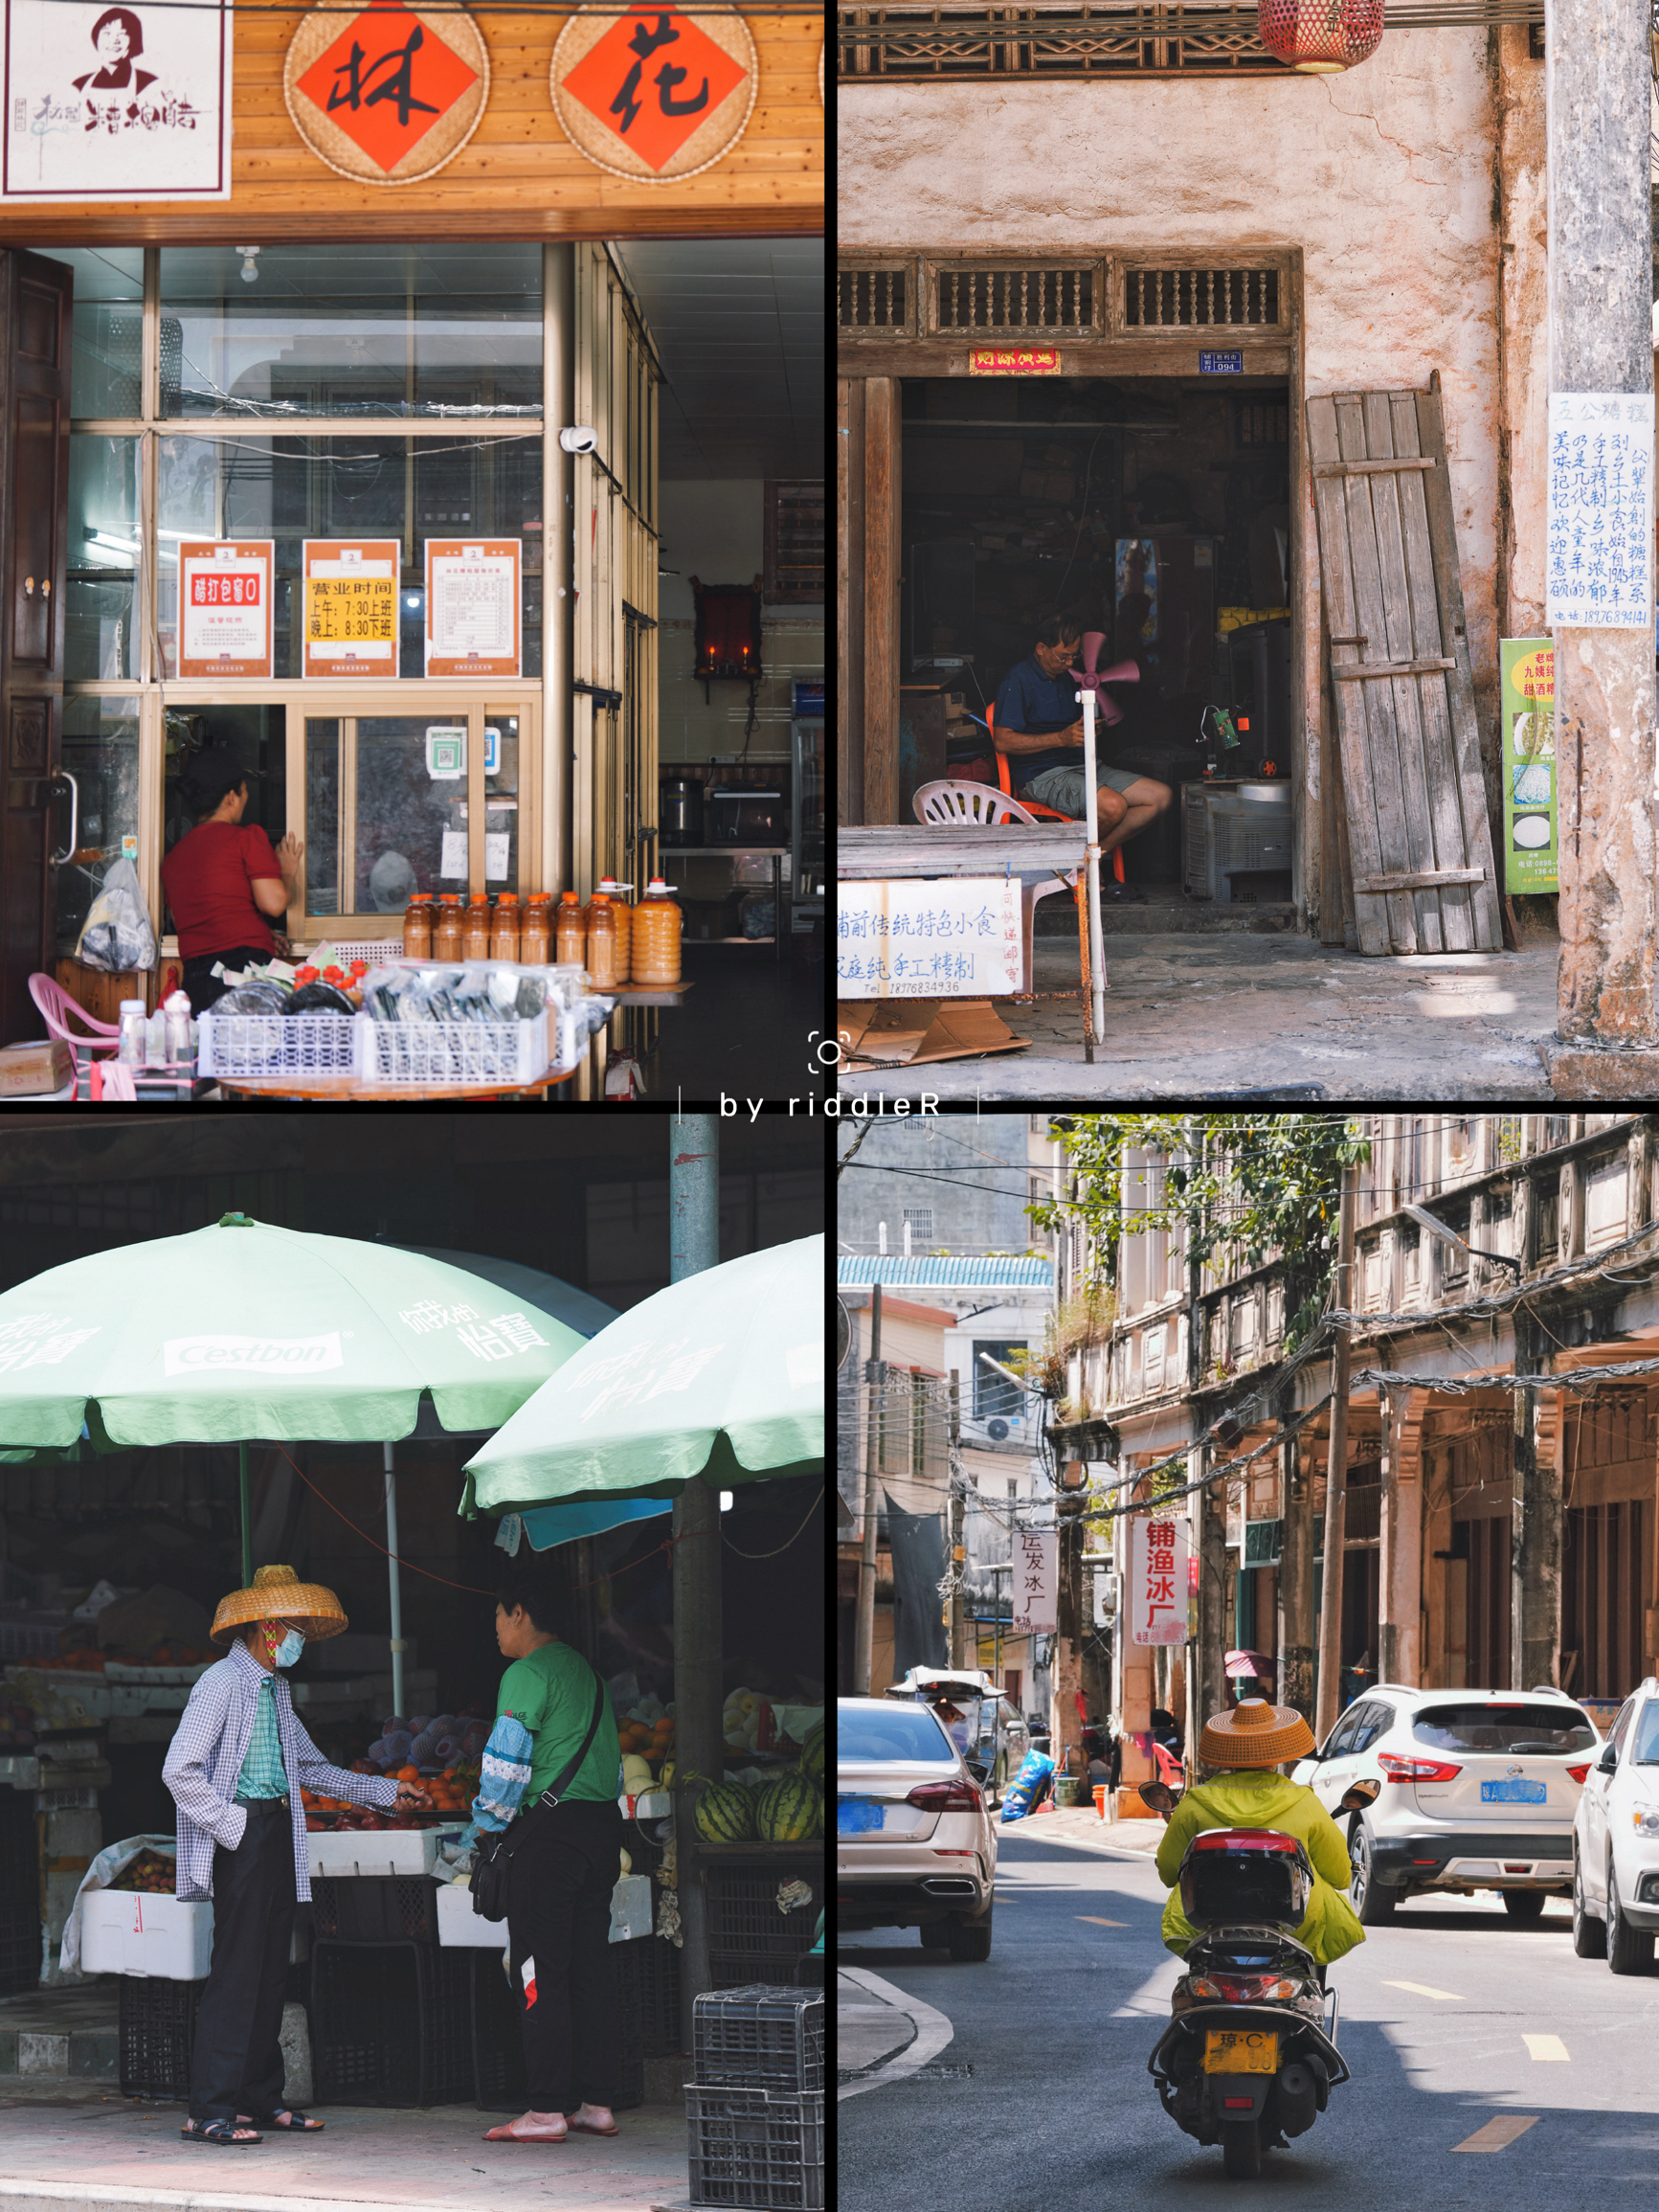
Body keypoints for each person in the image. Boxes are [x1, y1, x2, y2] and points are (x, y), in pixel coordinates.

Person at [162, 1564, 430, 2147]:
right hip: (244, 1837)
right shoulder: (220, 1685)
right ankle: (209, 2109)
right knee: (236, 1973)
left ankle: (259, 2100)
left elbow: (309, 1769)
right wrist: (232, 1823)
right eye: (292, 1628)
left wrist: (387, 1792)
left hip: (279, 1833)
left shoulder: (275, 1689)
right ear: (266, 1627)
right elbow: (178, 1769)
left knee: (269, 1973)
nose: (298, 1639)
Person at [468, 1560, 625, 2145]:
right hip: (599, 1832)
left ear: (520, 1613)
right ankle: (596, 2103)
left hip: (547, 1842)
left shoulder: (528, 1673)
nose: (496, 1627)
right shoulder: (587, 1673)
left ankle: (544, 2109)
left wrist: (486, 1825)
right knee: (590, 1967)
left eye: (499, 1615)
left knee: (538, 1970)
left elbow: (506, 1767)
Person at [1154, 1696, 1364, 1975]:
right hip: (1297, 1927)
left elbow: (1169, 1873)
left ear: (1229, 1752)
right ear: (1277, 1752)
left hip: (1205, 1925)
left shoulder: (1194, 1803)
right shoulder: (1303, 1801)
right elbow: (1339, 1875)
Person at [993, 611, 1173, 896]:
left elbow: (1072, 730)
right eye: (1063, 656)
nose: (1068, 663)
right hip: (1042, 774)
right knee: (1113, 807)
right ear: (1041, 648)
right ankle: (1078, 865)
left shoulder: (1064, 678)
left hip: (1082, 766)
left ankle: (1087, 859)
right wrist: (1062, 738)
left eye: (1074, 657)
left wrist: (1089, 728)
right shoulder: (1019, 680)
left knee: (1160, 797)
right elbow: (1003, 741)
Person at [160, 748, 303, 1015]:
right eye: (244, 789)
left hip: (196, 979)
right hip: (243, 974)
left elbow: (188, 921)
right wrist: (287, 871)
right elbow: (274, 904)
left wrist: (258, 932)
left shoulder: (173, 858)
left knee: (214, 1053)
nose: (247, 796)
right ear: (231, 798)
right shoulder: (245, 838)